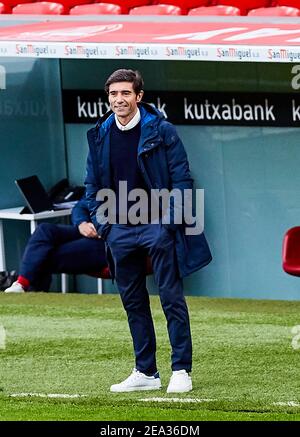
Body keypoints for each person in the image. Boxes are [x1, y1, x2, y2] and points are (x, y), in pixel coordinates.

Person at [85, 69, 212, 393]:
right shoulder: (100, 134)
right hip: (120, 231)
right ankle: (146, 372)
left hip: (157, 227)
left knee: (171, 299)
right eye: (113, 94)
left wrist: (166, 226)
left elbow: (182, 180)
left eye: (125, 93)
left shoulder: (162, 130)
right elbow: (93, 185)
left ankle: (181, 370)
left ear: (139, 96)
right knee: (133, 303)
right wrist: (105, 226)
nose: (119, 100)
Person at [4, 197, 106, 293]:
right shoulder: (102, 182)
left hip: (109, 241)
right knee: (44, 230)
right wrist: (82, 223)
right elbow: (80, 206)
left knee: (43, 256)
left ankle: (26, 290)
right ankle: (21, 285)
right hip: (90, 230)